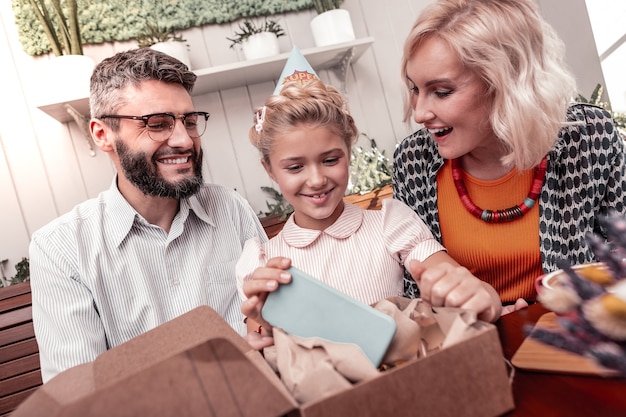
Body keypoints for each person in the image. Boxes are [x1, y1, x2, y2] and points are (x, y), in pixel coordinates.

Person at [28, 48, 267, 382]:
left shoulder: (230, 208)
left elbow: (275, 324)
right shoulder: (60, 249)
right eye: (157, 124)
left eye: (190, 122)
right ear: (103, 135)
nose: (184, 140)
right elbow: (79, 392)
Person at [236, 52, 502, 349]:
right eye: (295, 167)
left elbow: (452, 278)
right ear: (269, 169)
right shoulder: (260, 263)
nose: (316, 179)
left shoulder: (391, 223)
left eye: (330, 159)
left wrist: (478, 295)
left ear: (348, 154)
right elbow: (261, 343)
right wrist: (266, 334)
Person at [393, 0, 626, 311]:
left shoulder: (586, 137)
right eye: (414, 89)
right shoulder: (413, 162)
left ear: (505, 82)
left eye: (442, 91)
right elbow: (418, 297)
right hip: (478, 345)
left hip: (584, 339)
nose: (419, 113)